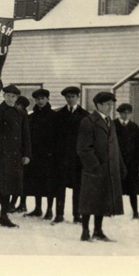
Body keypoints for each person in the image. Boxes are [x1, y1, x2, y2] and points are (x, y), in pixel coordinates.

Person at [77, 92, 126, 242]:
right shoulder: (88, 121)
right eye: (107, 104)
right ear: (98, 105)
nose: (110, 107)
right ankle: (85, 231)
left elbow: (115, 147)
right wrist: (95, 166)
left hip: (109, 169)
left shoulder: (110, 121)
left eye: (112, 104)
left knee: (102, 200)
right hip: (94, 169)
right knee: (89, 200)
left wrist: (121, 166)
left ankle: (98, 231)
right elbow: (83, 148)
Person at [0, 84, 31, 228]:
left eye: (14, 96)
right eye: (9, 96)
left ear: (17, 98)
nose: (11, 99)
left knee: (9, 187)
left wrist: (27, 154)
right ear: (4, 96)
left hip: (14, 156)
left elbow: (26, 135)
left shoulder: (21, 114)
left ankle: (4, 216)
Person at [53, 86, 89, 224]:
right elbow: (54, 137)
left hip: (78, 159)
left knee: (78, 187)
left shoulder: (85, 115)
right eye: (68, 97)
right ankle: (59, 214)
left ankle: (77, 214)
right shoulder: (59, 115)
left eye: (73, 97)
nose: (70, 99)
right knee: (60, 187)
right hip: (62, 158)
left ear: (78, 97)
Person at [24, 89, 58, 220]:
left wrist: (52, 153)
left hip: (49, 156)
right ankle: (38, 208)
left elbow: (57, 138)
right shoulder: (32, 117)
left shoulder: (54, 116)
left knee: (49, 184)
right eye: (38, 99)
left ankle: (49, 210)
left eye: (43, 98)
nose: (40, 101)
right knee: (36, 182)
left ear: (48, 99)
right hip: (35, 155)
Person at [114, 103, 139, 220]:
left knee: (132, 189)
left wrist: (138, 160)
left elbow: (138, 145)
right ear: (119, 113)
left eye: (128, 113)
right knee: (116, 187)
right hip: (117, 161)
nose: (126, 115)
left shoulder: (134, 127)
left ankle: (135, 211)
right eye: (123, 113)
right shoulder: (113, 125)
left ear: (131, 114)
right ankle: (114, 211)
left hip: (131, 163)